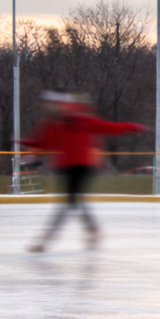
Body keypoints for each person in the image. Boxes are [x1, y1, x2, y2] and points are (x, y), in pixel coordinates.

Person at [23, 90, 145, 253]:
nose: (53, 107)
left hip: (83, 166)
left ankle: (46, 240)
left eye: (56, 104)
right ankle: (92, 231)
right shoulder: (54, 124)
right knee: (75, 202)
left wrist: (132, 127)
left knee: (69, 203)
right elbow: (45, 142)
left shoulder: (83, 121)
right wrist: (24, 143)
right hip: (65, 167)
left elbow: (109, 127)